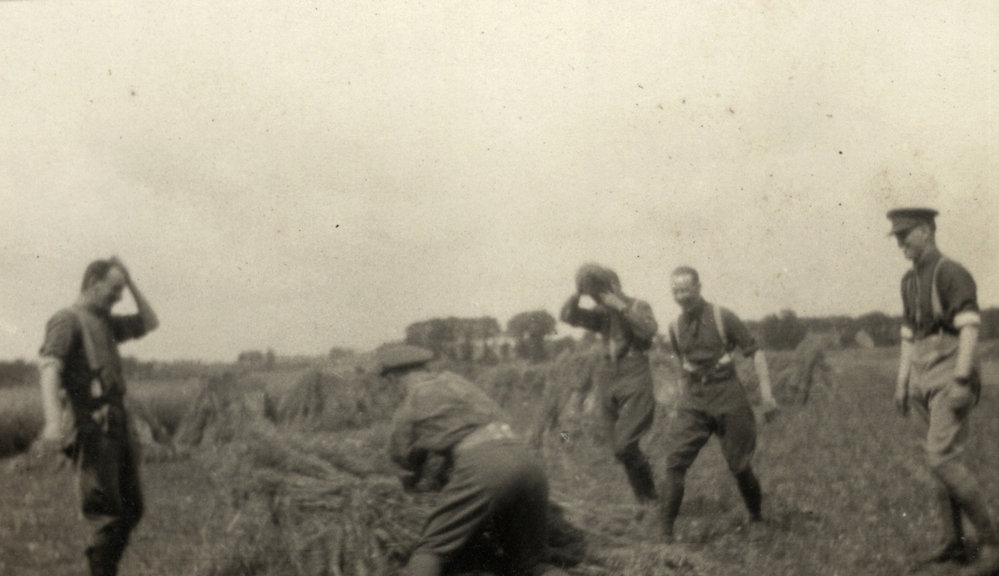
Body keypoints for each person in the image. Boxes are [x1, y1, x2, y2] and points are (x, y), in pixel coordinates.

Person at [380, 344, 568, 576]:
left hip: (485, 465)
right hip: (526, 460)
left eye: (390, 383)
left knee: (432, 549)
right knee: (532, 563)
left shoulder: (412, 401)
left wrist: (413, 487)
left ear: (395, 378)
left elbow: (401, 458)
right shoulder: (457, 382)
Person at [887, 207, 999, 575]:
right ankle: (954, 543)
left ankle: (993, 543)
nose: (900, 243)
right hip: (921, 374)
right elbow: (909, 336)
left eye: (905, 234)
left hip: (951, 371)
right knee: (933, 462)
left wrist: (963, 380)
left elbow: (969, 328)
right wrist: (903, 382)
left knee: (942, 458)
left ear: (925, 230)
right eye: (897, 236)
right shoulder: (908, 280)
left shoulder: (951, 271)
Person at [37, 257, 159, 576]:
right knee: (106, 516)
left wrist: (131, 281)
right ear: (93, 283)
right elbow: (49, 368)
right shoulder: (67, 320)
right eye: (115, 289)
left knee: (133, 509)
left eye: (122, 291)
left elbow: (149, 322)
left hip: (116, 424)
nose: (119, 297)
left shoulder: (105, 322)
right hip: (92, 426)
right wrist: (53, 422)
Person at [660, 266, 778, 542]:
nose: (681, 296)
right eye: (676, 291)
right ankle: (665, 533)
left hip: (728, 395)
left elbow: (755, 353)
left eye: (686, 290)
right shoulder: (674, 327)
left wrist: (767, 396)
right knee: (674, 463)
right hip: (694, 400)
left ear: (698, 288)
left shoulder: (722, 317)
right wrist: (680, 401)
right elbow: (681, 365)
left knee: (740, 466)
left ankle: (756, 517)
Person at [559, 263, 659, 511]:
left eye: (599, 291)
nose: (596, 298)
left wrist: (621, 306)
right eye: (593, 294)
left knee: (625, 444)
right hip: (607, 375)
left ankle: (651, 497)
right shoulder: (601, 314)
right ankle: (646, 501)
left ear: (614, 286)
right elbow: (568, 316)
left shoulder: (637, 305)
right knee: (618, 449)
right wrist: (578, 292)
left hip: (634, 372)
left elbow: (649, 331)